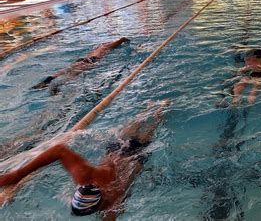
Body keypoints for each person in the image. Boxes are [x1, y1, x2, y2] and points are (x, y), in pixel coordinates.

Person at [0, 99, 170, 219]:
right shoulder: (85, 177)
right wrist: (17, 175)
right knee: (141, 123)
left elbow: (59, 149)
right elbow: (58, 150)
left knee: (150, 126)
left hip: (134, 156)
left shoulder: (113, 204)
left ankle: (160, 109)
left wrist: (17, 175)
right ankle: (157, 108)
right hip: (120, 149)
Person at [32, 37, 129, 91]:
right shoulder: (106, 46)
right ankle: (58, 85)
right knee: (74, 74)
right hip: (92, 60)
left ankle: (49, 80)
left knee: (68, 69)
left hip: (83, 59)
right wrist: (123, 40)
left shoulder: (97, 47)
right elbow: (119, 41)